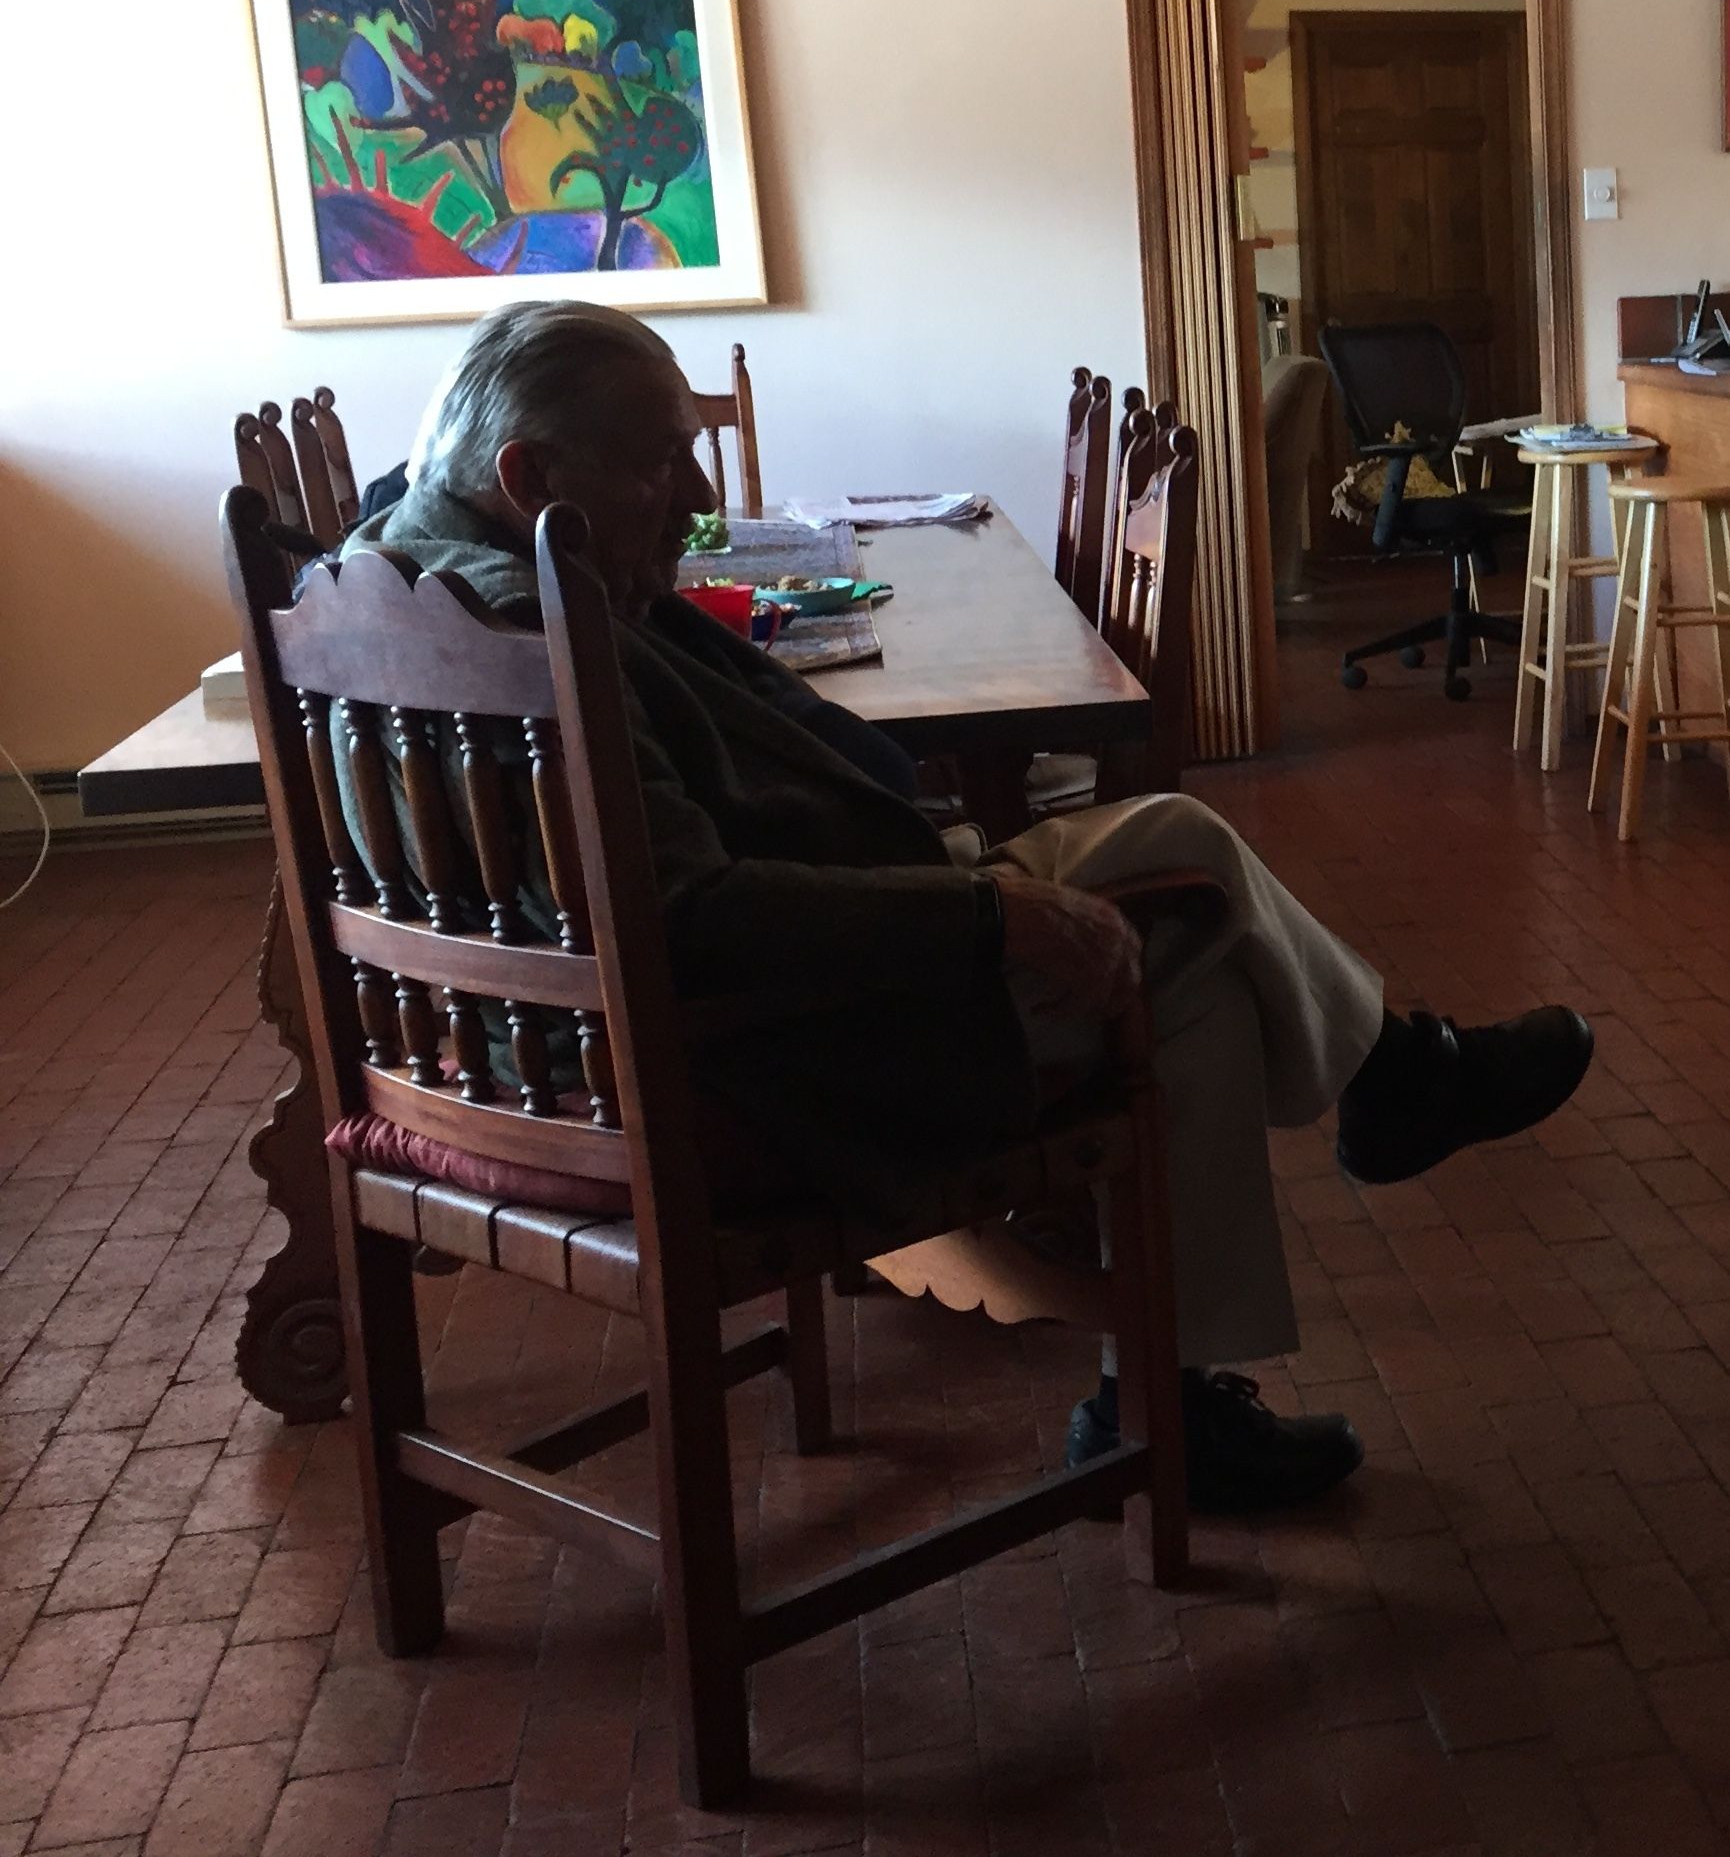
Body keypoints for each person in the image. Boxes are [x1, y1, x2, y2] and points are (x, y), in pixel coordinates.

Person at [336, 301, 1592, 1512]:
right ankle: (1204, 1356)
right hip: (733, 1065)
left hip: (508, 1057)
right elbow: (688, 917)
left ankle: (1366, 1115)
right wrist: (991, 917)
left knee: (1178, 855)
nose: (702, 501)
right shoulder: (535, 631)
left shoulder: (389, 587)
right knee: (1193, 954)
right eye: (663, 463)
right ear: (525, 471)